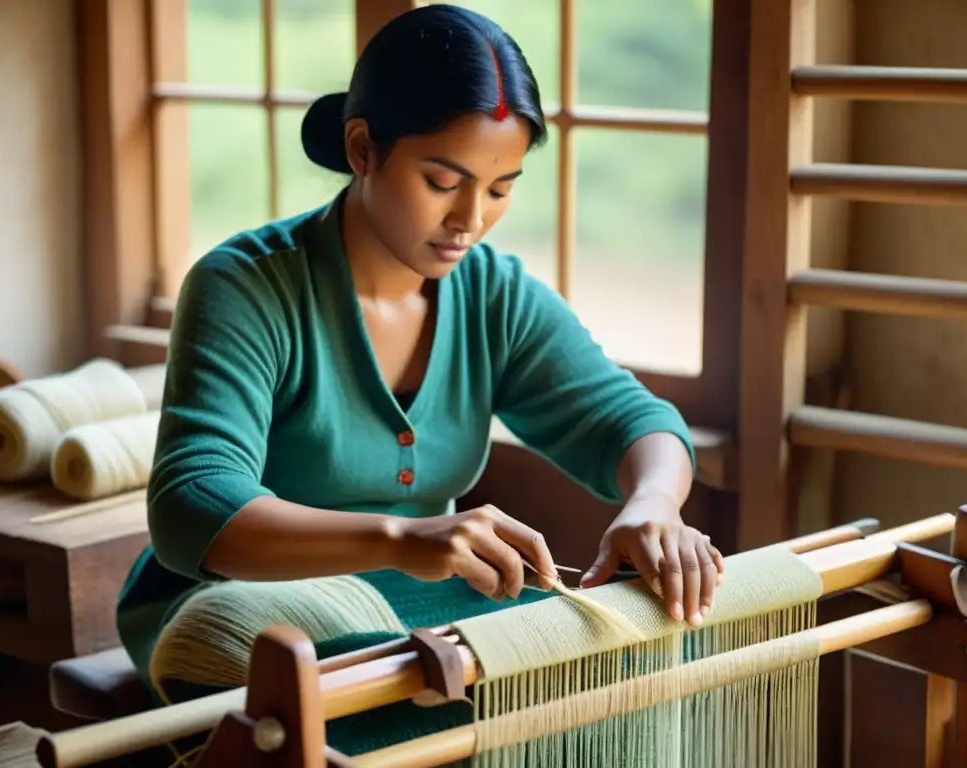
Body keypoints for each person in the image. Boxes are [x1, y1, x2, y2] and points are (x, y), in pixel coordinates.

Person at [115, 2, 725, 742]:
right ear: (364, 148)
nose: (471, 218)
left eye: (501, 188)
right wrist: (404, 541)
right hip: (244, 617)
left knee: (632, 665)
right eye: (444, 181)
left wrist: (654, 504)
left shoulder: (493, 295)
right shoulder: (246, 285)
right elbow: (193, 506)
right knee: (410, 712)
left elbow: (634, 421)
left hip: (420, 609)